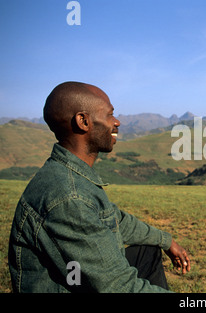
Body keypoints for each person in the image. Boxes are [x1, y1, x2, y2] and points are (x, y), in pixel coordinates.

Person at [8, 82, 191, 292]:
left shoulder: (71, 175)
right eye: (110, 114)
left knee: (146, 252)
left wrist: (166, 241)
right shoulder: (69, 198)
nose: (117, 122)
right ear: (83, 121)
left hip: (71, 276)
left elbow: (115, 219)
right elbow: (118, 286)